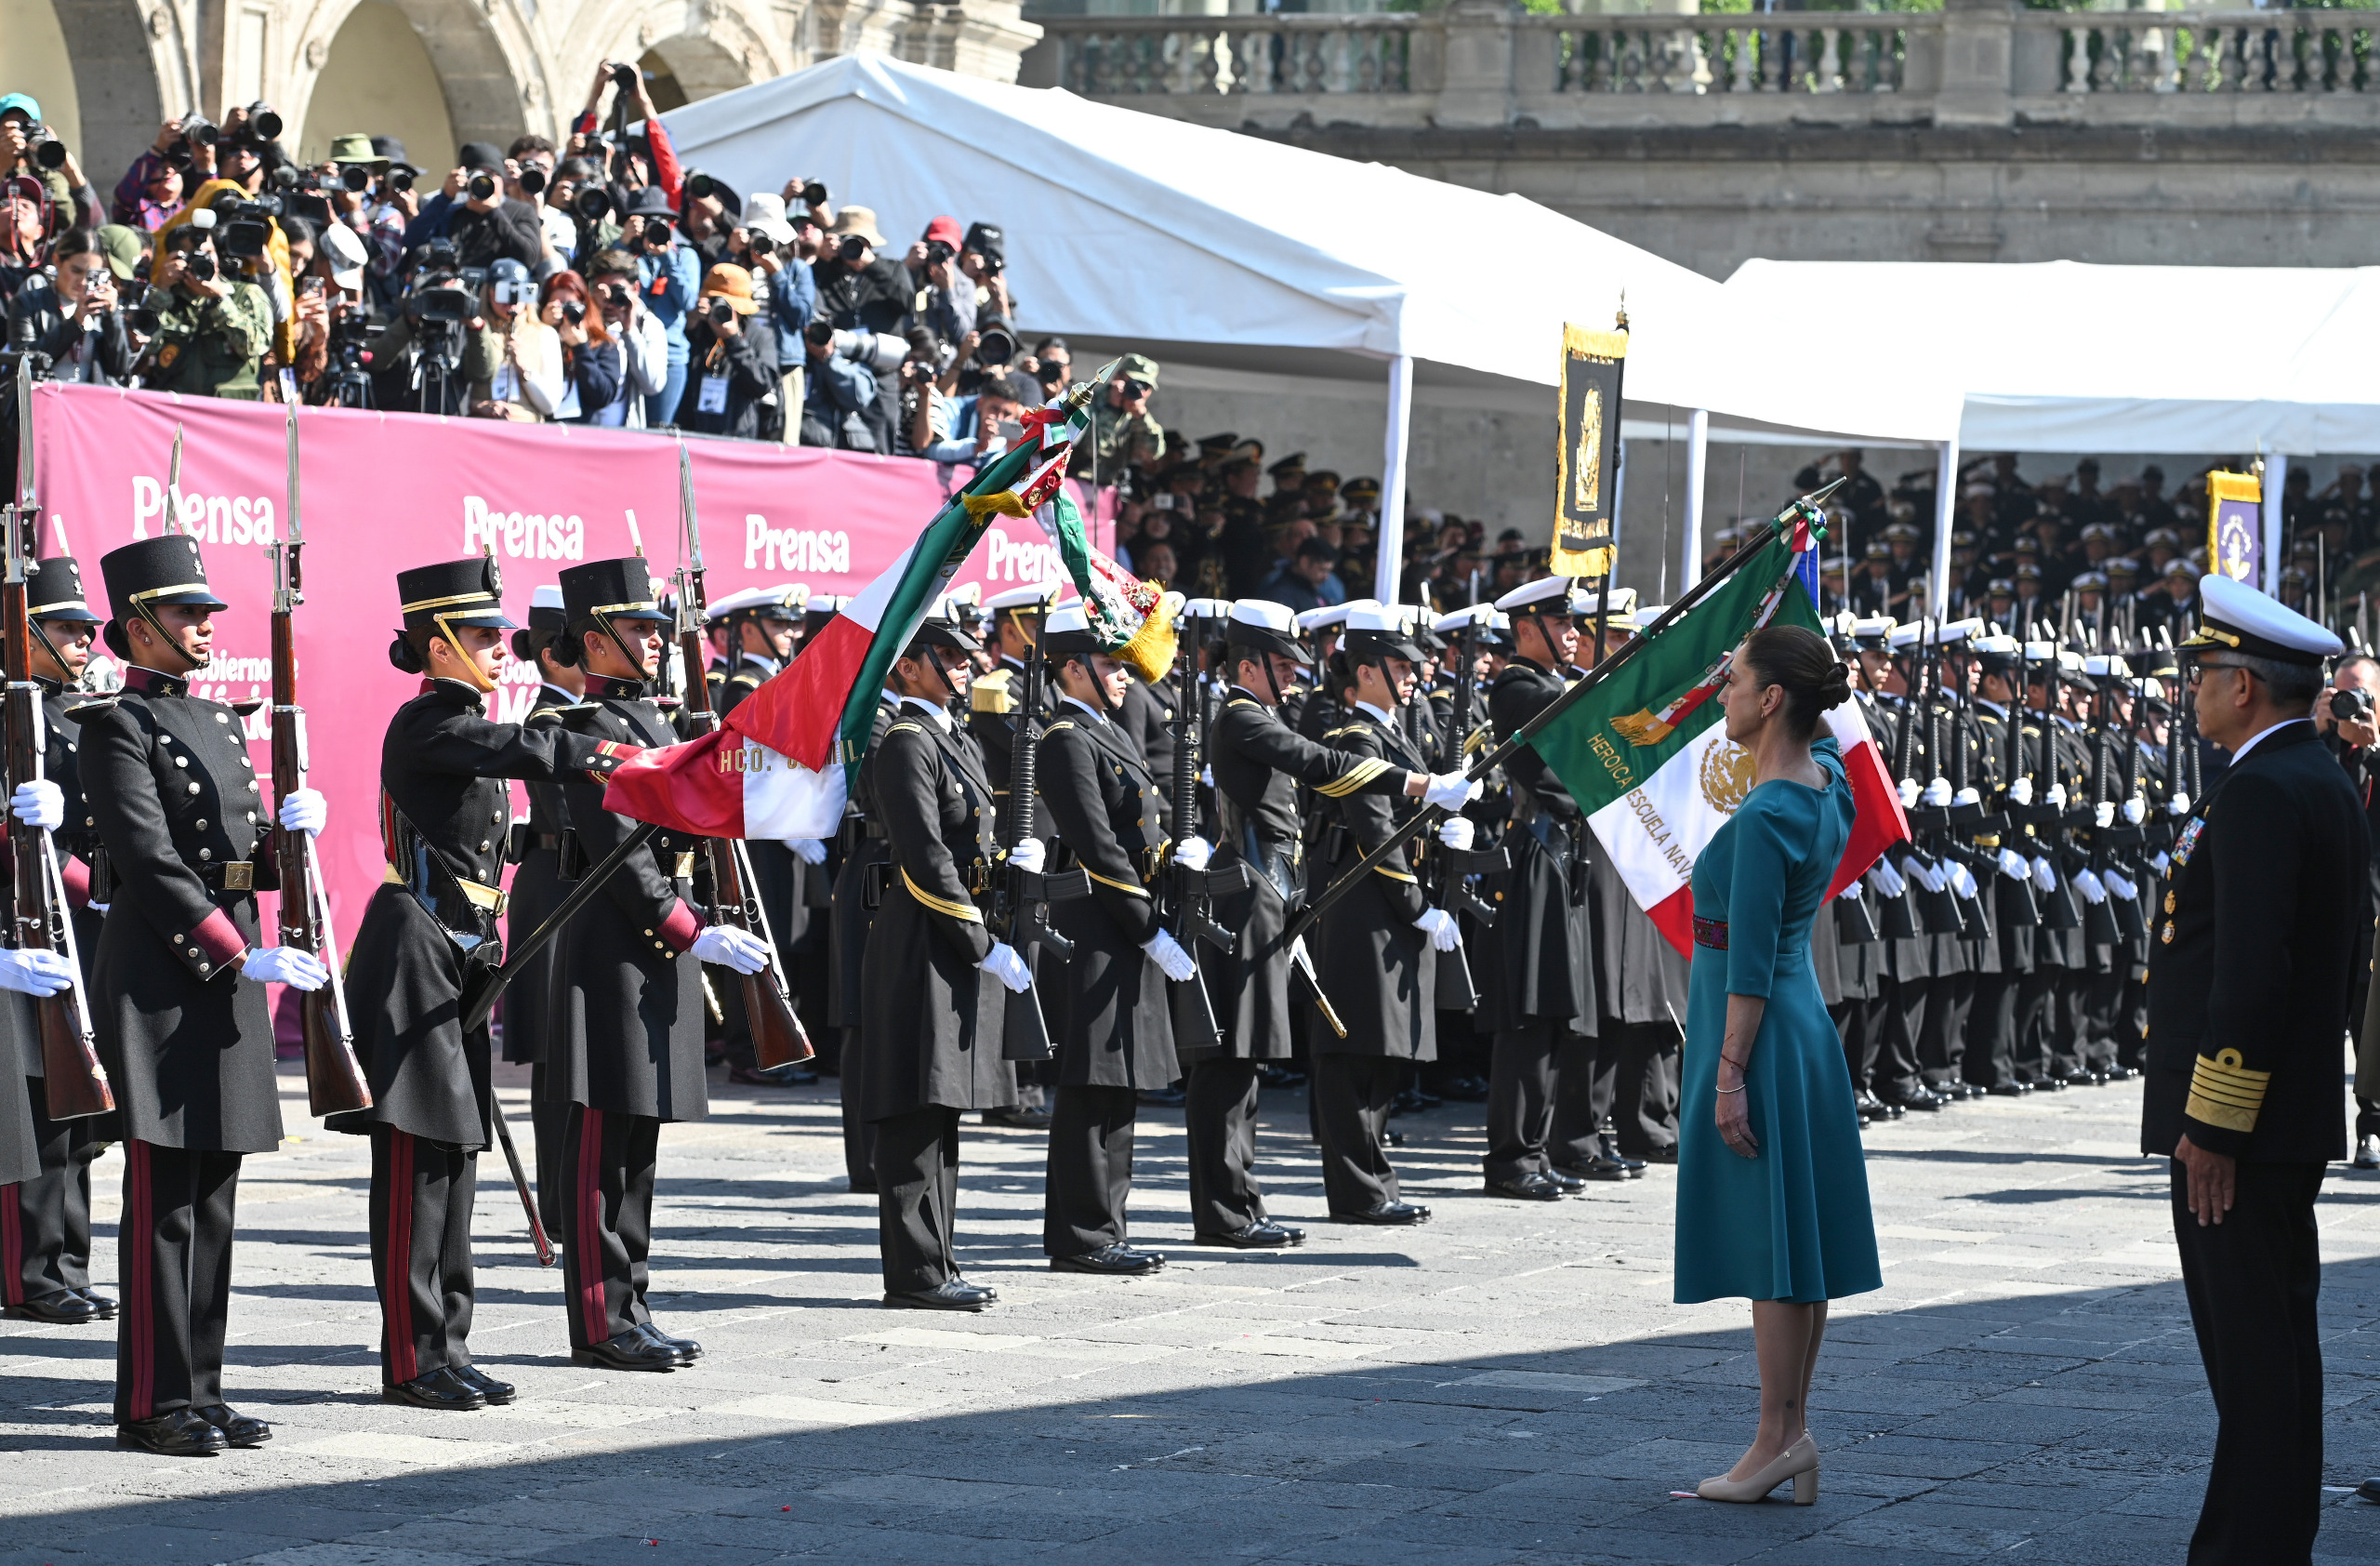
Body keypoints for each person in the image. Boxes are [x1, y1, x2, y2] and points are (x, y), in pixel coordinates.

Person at [329, 558, 636, 1412]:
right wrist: (607, 752)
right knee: (415, 1158)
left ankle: (448, 1344)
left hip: (461, 956)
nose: (502, 651)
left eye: (500, 637)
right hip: (411, 954)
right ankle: (410, 1356)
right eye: (481, 638)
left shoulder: (466, 724)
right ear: (438, 646)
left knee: (457, 1158)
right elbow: (524, 746)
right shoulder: (429, 724)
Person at [82, 535, 331, 1455]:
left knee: (216, 1191)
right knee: (163, 1199)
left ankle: (202, 1385)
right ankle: (151, 1398)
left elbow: (239, 850)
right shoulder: (115, 725)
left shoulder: (223, 722)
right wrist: (234, 953)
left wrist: (288, 844)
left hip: (226, 969)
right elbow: (147, 862)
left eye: (206, 613)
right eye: (185, 614)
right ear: (136, 628)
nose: (203, 627)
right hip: (161, 974)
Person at [2153, 574, 2366, 1565]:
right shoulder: (2309, 776)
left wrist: (2214, 1129)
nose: (2191, 687)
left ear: (2243, 684)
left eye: (2203, 671)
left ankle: (2251, 1544)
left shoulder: (2265, 788)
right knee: (2273, 1340)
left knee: (2252, 1352)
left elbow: (2249, 978)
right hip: (2284, 1118)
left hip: (2244, 1127)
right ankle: (2265, 1531)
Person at [541, 558, 770, 1370]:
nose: (653, 641)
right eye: (637, 630)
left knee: (640, 1143)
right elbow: (618, 853)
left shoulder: (654, 721)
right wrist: (689, 929)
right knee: (603, 1143)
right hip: (613, 951)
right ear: (595, 642)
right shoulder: (592, 728)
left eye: (652, 627)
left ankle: (633, 1300)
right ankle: (602, 1320)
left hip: (659, 946)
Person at [1187, 601, 1474, 1236]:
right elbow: (1325, 767)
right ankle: (1224, 1211)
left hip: (1270, 895)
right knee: (1231, 1061)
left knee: (1249, 1061)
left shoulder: (1257, 714)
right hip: (1244, 895)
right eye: (1281, 666)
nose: (1292, 677)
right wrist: (1422, 787)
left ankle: (1238, 1206)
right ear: (1248, 664)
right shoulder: (1240, 717)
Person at [1677, 623, 1880, 1506]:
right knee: (1801, 1247)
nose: (1718, 695)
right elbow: (1826, 723)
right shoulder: (1827, 782)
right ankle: (1791, 1435)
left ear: (1769, 702)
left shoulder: (1765, 817)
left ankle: (1771, 1442)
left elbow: (1748, 964)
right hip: (1805, 1032)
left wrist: (1726, 1075)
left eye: (1733, 682)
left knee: (1772, 1249)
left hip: (1755, 1033)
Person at [854, 610, 1031, 1310]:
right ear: (909, 665)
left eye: (966, 656)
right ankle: (917, 1271)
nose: (964, 665)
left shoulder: (950, 735)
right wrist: (982, 944)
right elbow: (926, 859)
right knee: (915, 1111)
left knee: (943, 1109)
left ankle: (939, 1260)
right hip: (922, 943)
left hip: (952, 940)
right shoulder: (905, 741)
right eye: (948, 655)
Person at [1033, 604, 1182, 1276]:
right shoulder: (1066, 736)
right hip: (1098, 924)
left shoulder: (1107, 729)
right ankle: (1081, 1233)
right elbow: (1096, 846)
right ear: (1073, 667)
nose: (1125, 677)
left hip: (1125, 920)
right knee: (1092, 1082)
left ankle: (1105, 1225)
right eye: (1113, 664)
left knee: (1120, 1080)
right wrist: (1147, 925)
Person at [1309, 605, 1467, 1219]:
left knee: (1381, 1051)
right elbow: (1374, 832)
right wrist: (1417, 904)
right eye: (1400, 664)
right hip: (1361, 908)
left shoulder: (1395, 733)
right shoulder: (1356, 738)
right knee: (1354, 1051)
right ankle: (1357, 1190)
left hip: (1387, 908)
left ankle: (1376, 1182)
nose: (1412, 675)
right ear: (1366, 670)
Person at [0, 556, 112, 1324]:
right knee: (34, 1104)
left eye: (89, 628)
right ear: (23, 634)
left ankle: (68, 1263)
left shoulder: (81, 718)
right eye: (68, 628)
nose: (84, 640)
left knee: (80, 1106)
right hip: (20, 929)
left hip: (84, 929)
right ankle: (27, 1275)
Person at [1480, 578, 1602, 1197]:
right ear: (1528, 628)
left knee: (1555, 1014)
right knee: (1530, 1015)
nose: (1576, 634)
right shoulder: (1517, 688)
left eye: (1576, 623)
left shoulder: (1556, 687)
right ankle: (1510, 1159)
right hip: (1535, 854)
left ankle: (1536, 1147)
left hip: (1562, 854)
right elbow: (1560, 742)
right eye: (1564, 624)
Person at [504, 586, 581, 1237]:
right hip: (560, 890)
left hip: (569, 887)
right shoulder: (553, 723)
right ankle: (560, 1202)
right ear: (556, 655)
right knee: (561, 1056)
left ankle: (572, 1197)